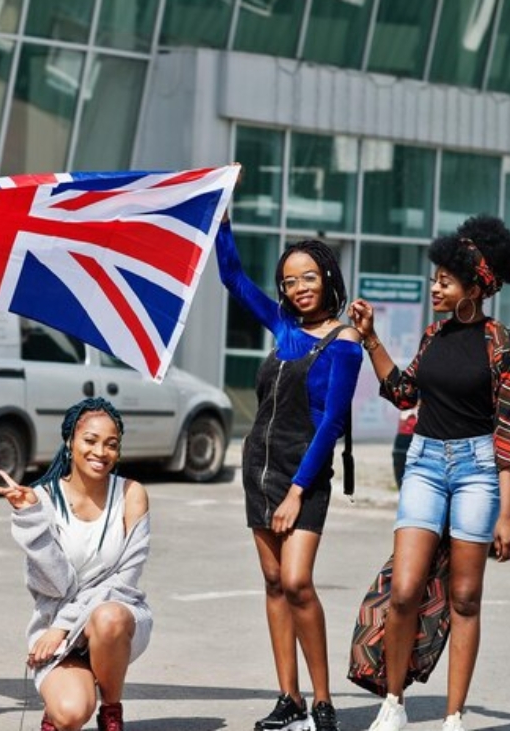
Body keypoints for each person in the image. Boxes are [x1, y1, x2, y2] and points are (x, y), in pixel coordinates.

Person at [348, 215, 510, 731]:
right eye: (435, 278)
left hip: (477, 471)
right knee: (403, 591)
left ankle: (453, 716)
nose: (435, 287)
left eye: (445, 281)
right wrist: (371, 339)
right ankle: (394, 703)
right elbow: (404, 392)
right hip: (425, 463)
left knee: (466, 597)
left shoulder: (505, 345)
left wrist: (508, 515)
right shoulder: (433, 335)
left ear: (476, 286)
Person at [215, 221, 361, 731]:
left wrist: (298, 491)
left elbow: (332, 425)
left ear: (327, 277)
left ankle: (323, 703)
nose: (298, 289)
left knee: (297, 581)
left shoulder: (344, 343)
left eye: (308, 278)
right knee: (274, 582)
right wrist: (222, 217)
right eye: (289, 282)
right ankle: (289, 698)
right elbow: (231, 277)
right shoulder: (282, 328)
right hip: (258, 468)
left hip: (305, 474)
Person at [0, 397, 151, 731]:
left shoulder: (131, 494)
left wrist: (63, 624)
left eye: (111, 445)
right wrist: (29, 517)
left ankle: (112, 711)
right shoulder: (42, 499)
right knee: (72, 714)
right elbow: (54, 586)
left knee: (109, 615)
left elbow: (125, 581)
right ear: (69, 442)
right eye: (90, 441)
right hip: (57, 632)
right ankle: (60, 708)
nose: (100, 452)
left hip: (115, 626)